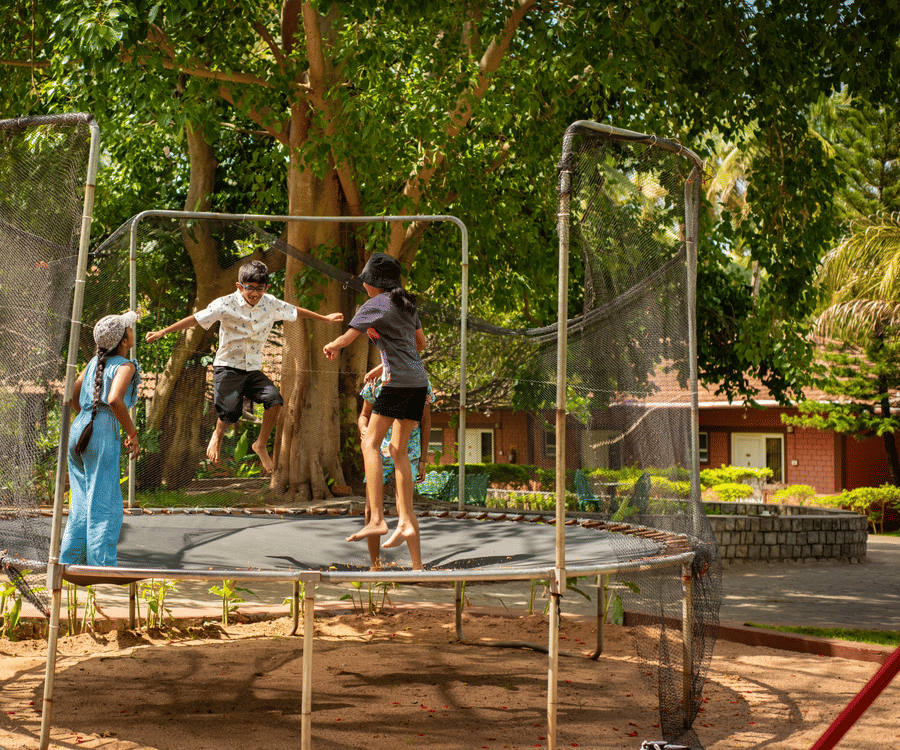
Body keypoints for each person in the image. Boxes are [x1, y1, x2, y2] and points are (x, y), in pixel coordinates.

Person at [145, 260, 342, 474]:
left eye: (259, 288)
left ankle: (260, 445)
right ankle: (217, 436)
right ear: (240, 286)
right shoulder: (225, 304)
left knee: (274, 400)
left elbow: (295, 311)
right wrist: (163, 332)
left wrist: (324, 318)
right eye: (249, 288)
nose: (254, 293)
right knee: (230, 412)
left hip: (252, 369)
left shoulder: (271, 303)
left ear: (266, 288)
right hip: (228, 366)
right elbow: (195, 319)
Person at [323, 252, 428, 568]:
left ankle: (378, 518)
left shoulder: (374, 305)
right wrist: (384, 366)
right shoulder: (407, 305)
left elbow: (347, 337)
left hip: (397, 385)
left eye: (365, 281)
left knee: (369, 442)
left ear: (372, 282)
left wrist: (332, 346)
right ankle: (406, 519)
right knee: (397, 449)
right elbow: (419, 345)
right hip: (417, 383)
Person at [60, 311, 142, 567]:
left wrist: (87, 419)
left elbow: (73, 395)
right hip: (102, 430)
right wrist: (132, 433)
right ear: (124, 340)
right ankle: (102, 566)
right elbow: (115, 399)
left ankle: (72, 561)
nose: (132, 330)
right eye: (129, 328)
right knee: (104, 501)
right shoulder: (125, 366)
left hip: (80, 427)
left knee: (82, 500)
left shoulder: (92, 363)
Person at [358, 363, 432, 570]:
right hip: (378, 452)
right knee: (371, 507)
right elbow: (364, 414)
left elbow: (426, 422)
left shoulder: (420, 380)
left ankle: (417, 567)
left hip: (406, 452)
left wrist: (423, 459)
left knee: (404, 507)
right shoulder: (375, 381)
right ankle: (375, 565)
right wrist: (364, 428)